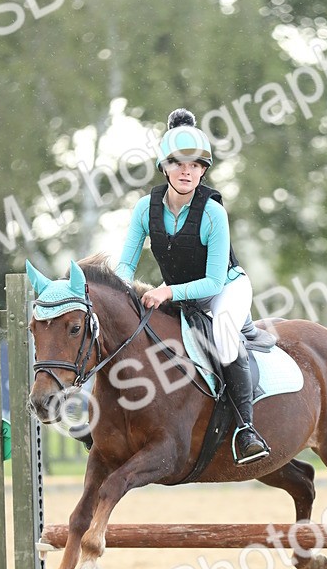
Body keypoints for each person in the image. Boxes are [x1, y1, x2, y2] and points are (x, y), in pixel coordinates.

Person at [114, 107, 270, 465]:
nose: (188, 171)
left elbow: (213, 281)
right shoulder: (144, 209)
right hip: (180, 289)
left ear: (203, 170)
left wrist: (166, 291)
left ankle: (247, 429)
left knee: (225, 331)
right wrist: (117, 291)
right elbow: (126, 264)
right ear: (164, 167)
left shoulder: (213, 212)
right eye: (179, 163)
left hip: (225, 289)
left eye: (196, 165)